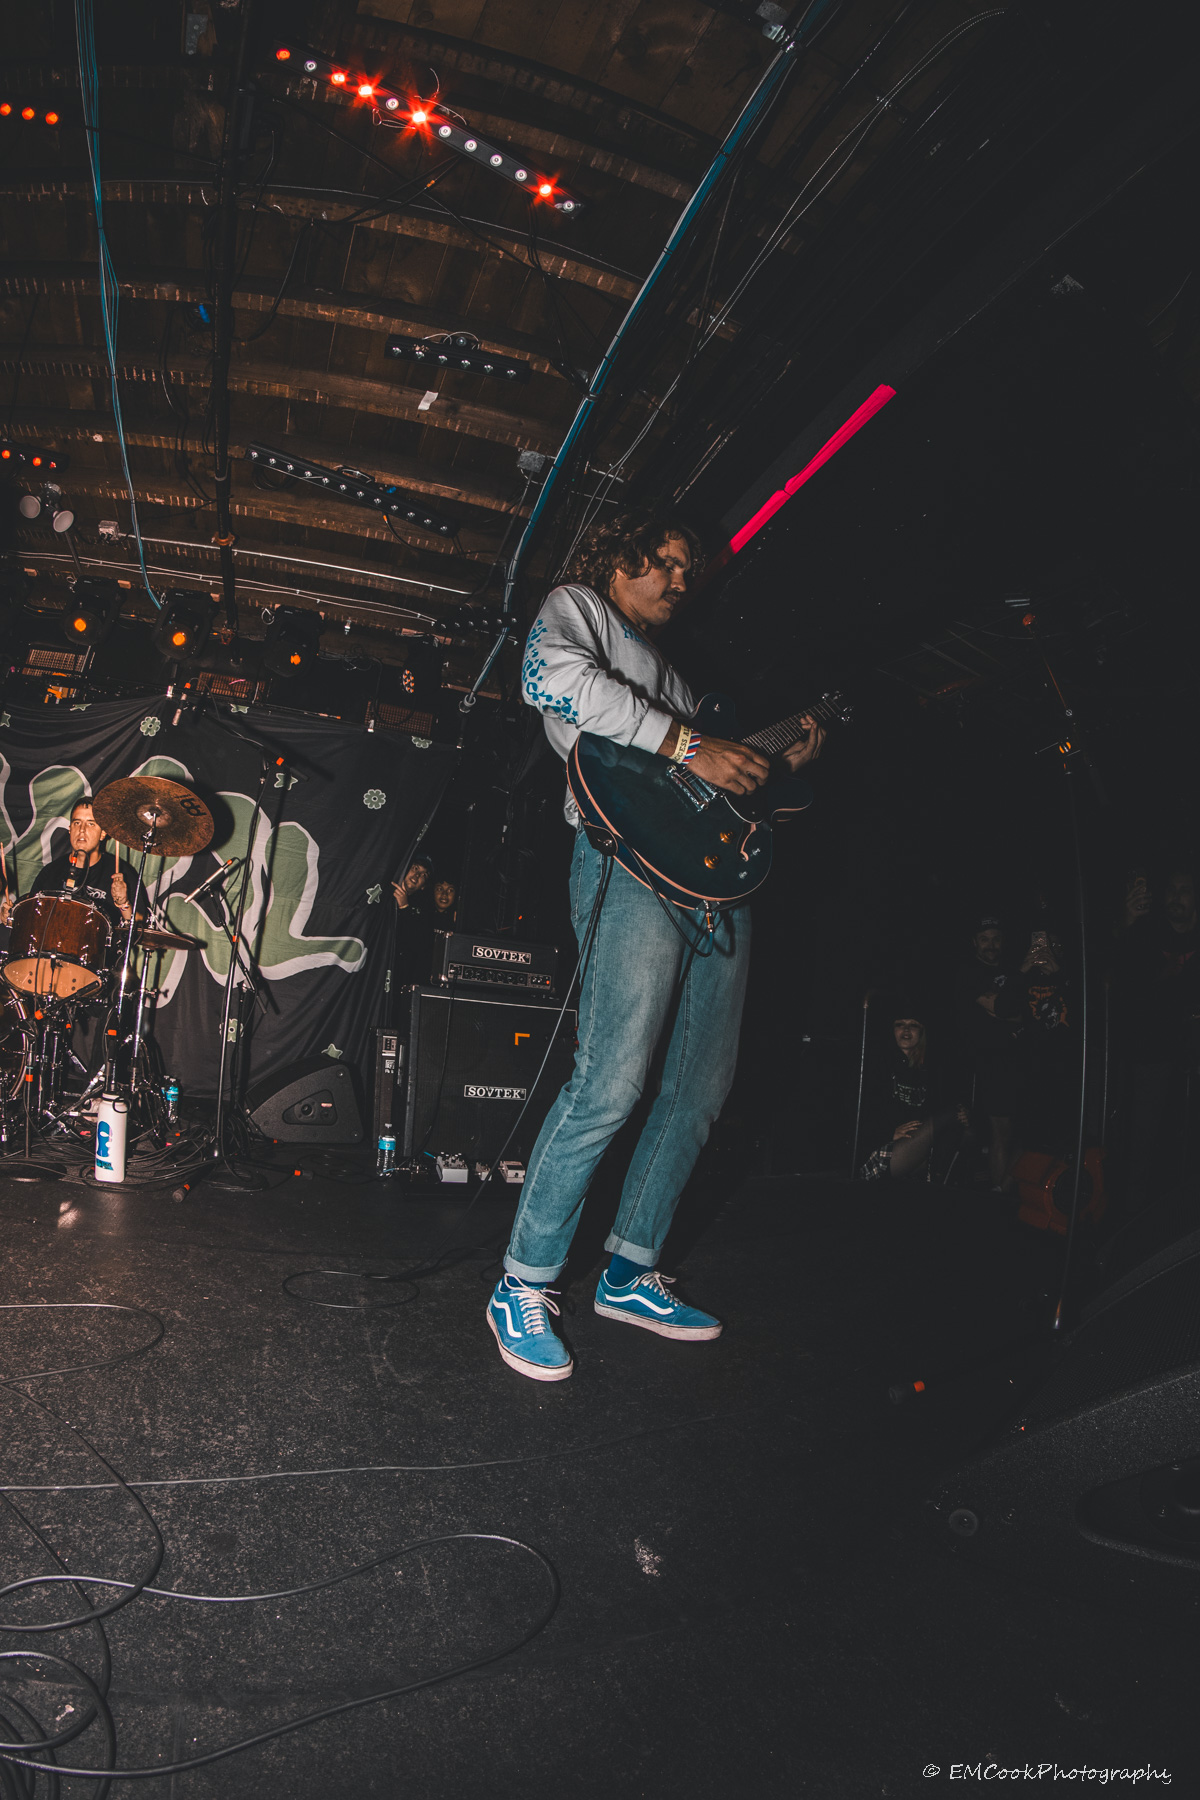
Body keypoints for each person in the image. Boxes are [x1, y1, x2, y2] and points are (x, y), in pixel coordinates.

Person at [485, 508, 825, 1381]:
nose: (681, 579)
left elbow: (715, 787)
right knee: (612, 1081)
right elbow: (552, 679)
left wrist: (777, 766)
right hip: (630, 867)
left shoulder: (678, 680)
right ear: (618, 559)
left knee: (700, 1090)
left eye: (688, 568)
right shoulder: (580, 609)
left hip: (716, 886)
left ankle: (631, 1270)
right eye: (665, 561)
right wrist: (687, 743)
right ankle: (524, 1282)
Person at [1112, 866, 1200, 1206]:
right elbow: (1114, 973)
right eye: (1171, 889)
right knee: (1134, 1141)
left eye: (1184, 890)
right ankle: (1125, 1212)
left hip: (1185, 1056)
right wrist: (1126, 923)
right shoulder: (1147, 931)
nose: (1175, 896)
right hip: (1142, 1051)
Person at [859, 1007, 971, 1183]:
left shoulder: (925, 1070)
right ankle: (935, 1183)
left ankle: (936, 1181)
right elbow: (863, 1113)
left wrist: (962, 1112)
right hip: (878, 1154)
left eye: (913, 1025)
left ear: (921, 1033)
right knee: (952, 1116)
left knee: (964, 1128)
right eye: (900, 1024)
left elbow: (937, 1110)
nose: (906, 1030)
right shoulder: (877, 1064)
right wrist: (888, 1133)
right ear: (892, 1030)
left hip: (911, 1148)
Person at [953, 916, 1022, 1190]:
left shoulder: (1011, 970)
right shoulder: (969, 972)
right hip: (990, 1060)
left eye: (996, 939)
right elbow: (1001, 1009)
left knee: (1027, 1131)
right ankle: (999, 1193)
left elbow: (1026, 1011)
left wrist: (1013, 1012)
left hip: (1020, 1058)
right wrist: (1011, 1011)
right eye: (984, 939)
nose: (991, 945)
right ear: (974, 942)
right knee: (1000, 1130)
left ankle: (1004, 1190)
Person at [29, 798, 135, 931]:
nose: (82, 830)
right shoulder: (50, 872)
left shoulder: (120, 872)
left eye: (90, 824)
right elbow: (31, 916)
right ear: (70, 829)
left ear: (103, 833)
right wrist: (12, 917)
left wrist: (123, 904)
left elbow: (139, 926)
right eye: (77, 823)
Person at [391, 854, 433, 984]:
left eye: (424, 875)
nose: (417, 875)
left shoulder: (424, 910)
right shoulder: (384, 891)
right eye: (415, 868)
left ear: (423, 886)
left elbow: (416, 944)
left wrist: (404, 907)